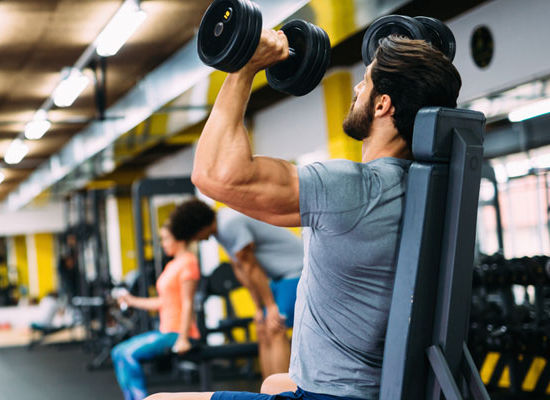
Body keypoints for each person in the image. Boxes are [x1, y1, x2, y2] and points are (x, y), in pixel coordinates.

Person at [146, 27, 461, 400]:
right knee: (272, 382)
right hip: (380, 385)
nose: (357, 90)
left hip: (333, 396)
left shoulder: (355, 189)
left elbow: (213, 173)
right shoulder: (425, 187)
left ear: (382, 105)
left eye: (365, 82)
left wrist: (244, 68)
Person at [172, 199, 303, 378]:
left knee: (275, 327)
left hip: (297, 271)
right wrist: (258, 307)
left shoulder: (229, 224)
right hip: (278, 278)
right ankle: (268, 393)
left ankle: (282, 395)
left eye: (193, 236)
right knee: (262, 330)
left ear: (198, 227)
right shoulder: (220, 231)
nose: (195, 240)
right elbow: (240, 269)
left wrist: (270, 306)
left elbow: (251, 266)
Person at [111, 211, 202, 400]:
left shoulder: (188, 262)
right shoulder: (172, 265)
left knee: (127, 354)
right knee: (117, 351)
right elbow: (163, 302)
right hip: (166, 329)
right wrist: (131, 300)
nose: (163, 244)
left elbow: (188, 302)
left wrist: (184, 338)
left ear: (180, 239)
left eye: (166, 239)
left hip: (177, 333)